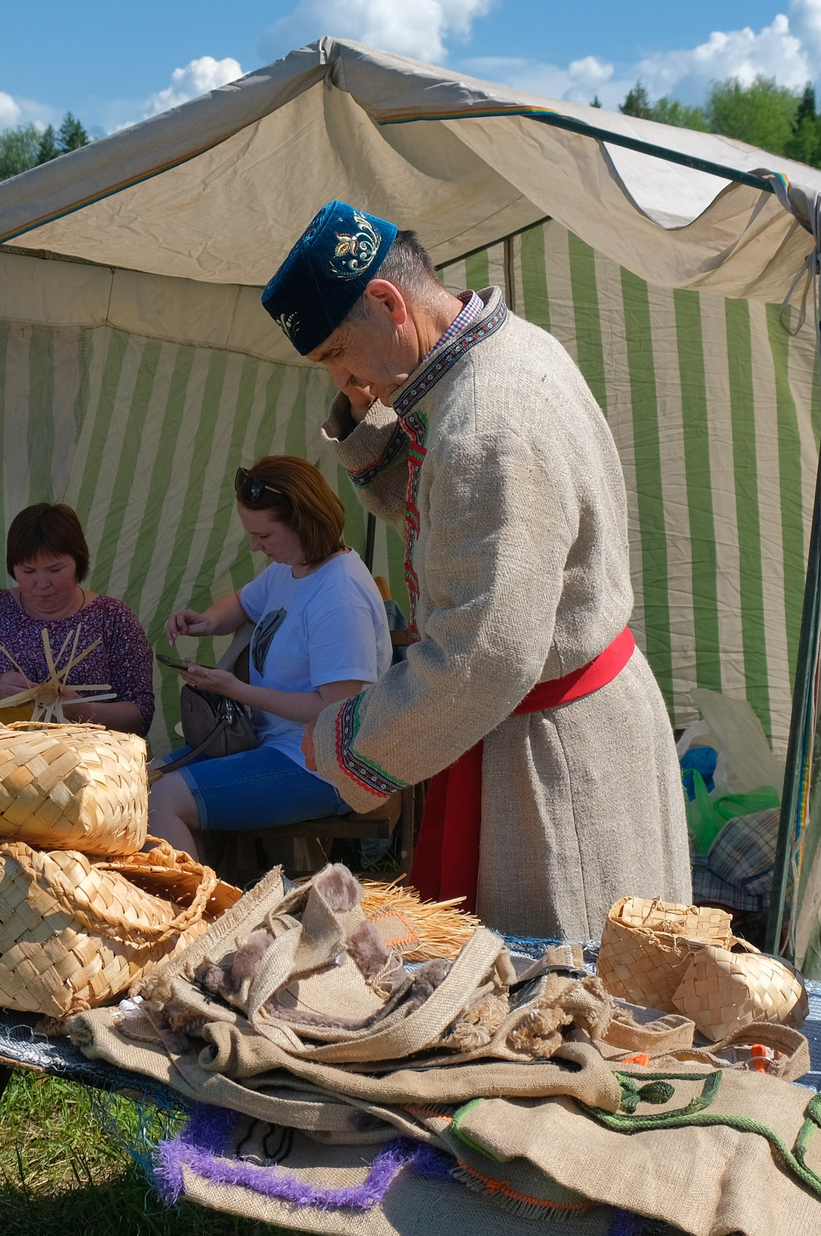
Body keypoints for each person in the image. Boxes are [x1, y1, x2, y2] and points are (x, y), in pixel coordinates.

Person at [268, 199, 688, 943]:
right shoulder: (497, 355)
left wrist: (343, 740)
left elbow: (482, 654)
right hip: (549, 729)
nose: (342, 375)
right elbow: (445, 510)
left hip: (556, 765)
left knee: (569, 1005)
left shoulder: (490, 419)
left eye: (336, 351)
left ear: (389, 302)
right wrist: (367, 407)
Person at [149, 458, 390, 855]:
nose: (254, 546)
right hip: (271, 744)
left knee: (162, 800)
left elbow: (336, 709)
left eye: (263, 535)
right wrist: (207, 621)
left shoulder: (339, 597)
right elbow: (244, 603)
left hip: (325, 767)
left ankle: (197, 914)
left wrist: (237, 690)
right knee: (141, 781)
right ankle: (214, 894)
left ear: (304, 523)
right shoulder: (293, 565)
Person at [0, 502, 153, 735]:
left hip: (84, 762)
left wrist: (82, 710)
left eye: (55, 570)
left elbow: (141, 717)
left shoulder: (113, 617)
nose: (42, 583)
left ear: (79, 562)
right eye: (28, 571)